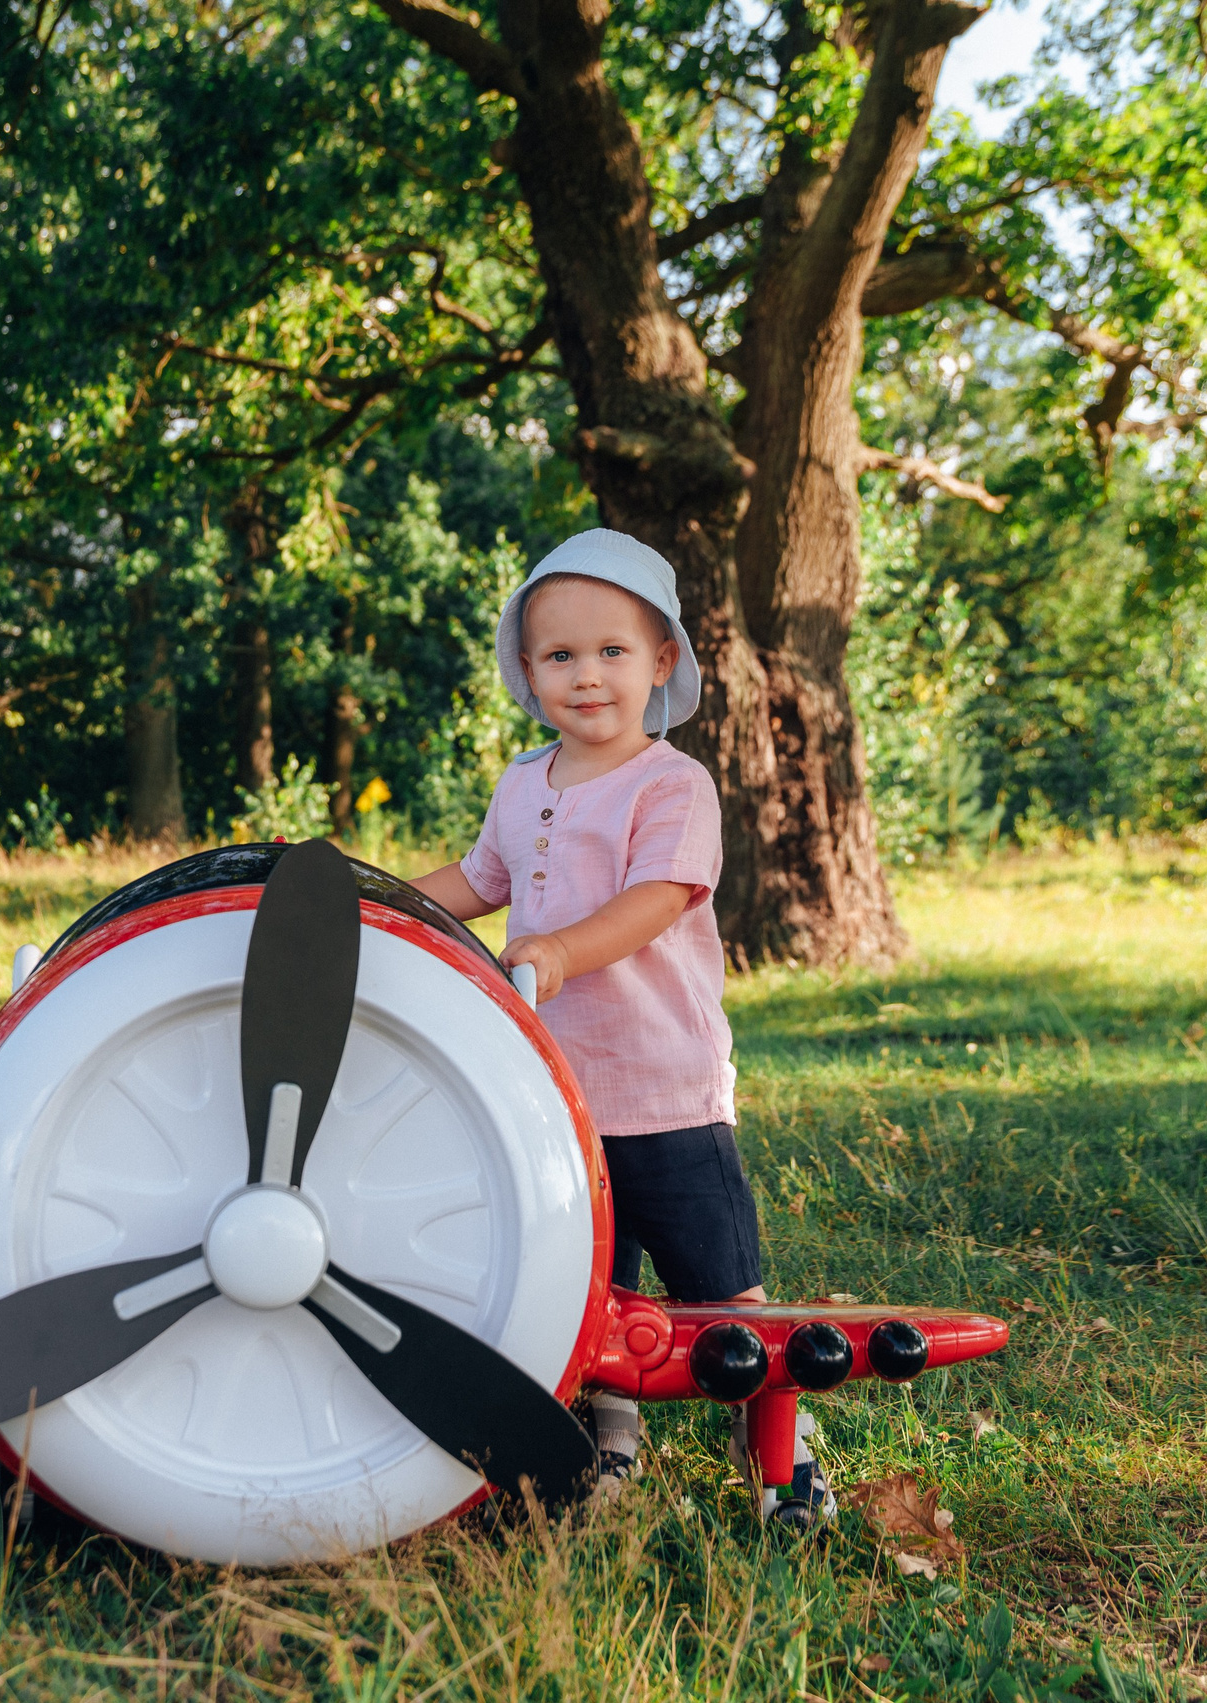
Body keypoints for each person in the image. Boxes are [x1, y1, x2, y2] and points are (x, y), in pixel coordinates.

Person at [410, 528, 834, 1528]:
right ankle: (607, 1443)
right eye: (560, 655)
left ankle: (781, 1454)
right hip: (552, 1094)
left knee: (716, 1283)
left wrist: (555, 949)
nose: (586, 674)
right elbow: (479, 882)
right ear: (527, 672)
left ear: (661, 665)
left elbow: (658, 897)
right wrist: (378, 899)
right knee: (582, 1285)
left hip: (661, 1085)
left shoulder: (669, 785)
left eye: (612, 652)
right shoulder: (524, 784)